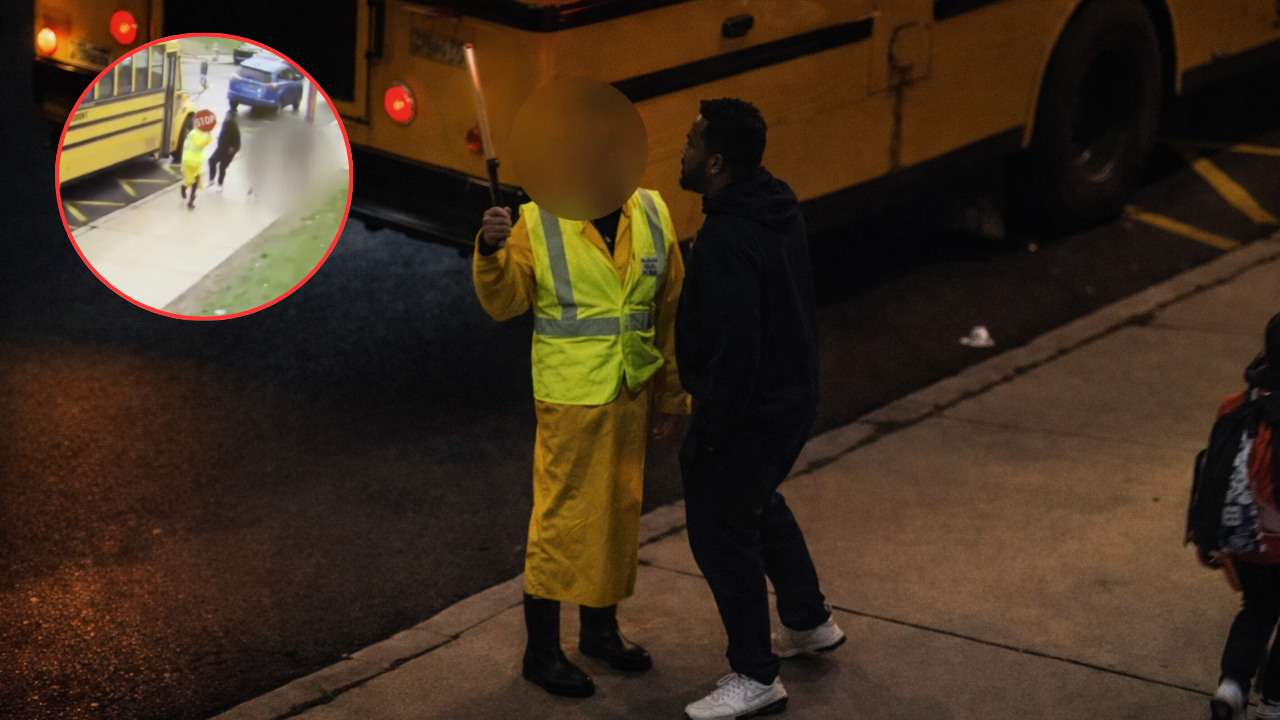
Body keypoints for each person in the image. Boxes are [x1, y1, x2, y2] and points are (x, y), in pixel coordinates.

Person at [474, 188, 689, 697]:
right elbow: (505, 303)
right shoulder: (538, 218)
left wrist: (671, 394)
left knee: (616, 510)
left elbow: (670, 309)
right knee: (561, 518)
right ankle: (541, 652)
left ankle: (598, 632)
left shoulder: (652, 210)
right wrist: (489, 249)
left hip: (631, 387)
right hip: (571, 394)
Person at [674, 98, 844, 720]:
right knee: (755, 502)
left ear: (716, 162)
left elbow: (734, 352)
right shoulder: (773, 204)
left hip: (749, 414)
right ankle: (808, 622)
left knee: (723, 532)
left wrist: (711, 432)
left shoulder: (726, 237)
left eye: (691, 143)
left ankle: (754, 675)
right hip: (789, 398)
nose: (681, 151)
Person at [1198, 312, 1280, 720]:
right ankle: (1275, 703)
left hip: (1246, 540)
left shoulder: (1236, 405)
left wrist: (1206, 533)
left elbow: (1213, 470)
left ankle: (1232, 686)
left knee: (1258, 609)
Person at [180, 120, 213, 210]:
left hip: (187, 160)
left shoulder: (191, 134)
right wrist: (209, 135)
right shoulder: (198, 135)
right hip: (195, 161)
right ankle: (191, 200)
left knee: (191, 179)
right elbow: (201, 144)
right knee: (195, 180)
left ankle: (185, 189)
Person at [208, 110, 240, 193]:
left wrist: (233, 149)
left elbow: (238, 144)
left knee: (222, 167)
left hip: (228, 151)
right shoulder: (225, 124)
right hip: (221, 147)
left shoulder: (235, 129)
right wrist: (219, 140)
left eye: (228, 116)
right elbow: (222, 134)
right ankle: (211, 178)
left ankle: (220, 184)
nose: (227, 117)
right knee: (212, 160)